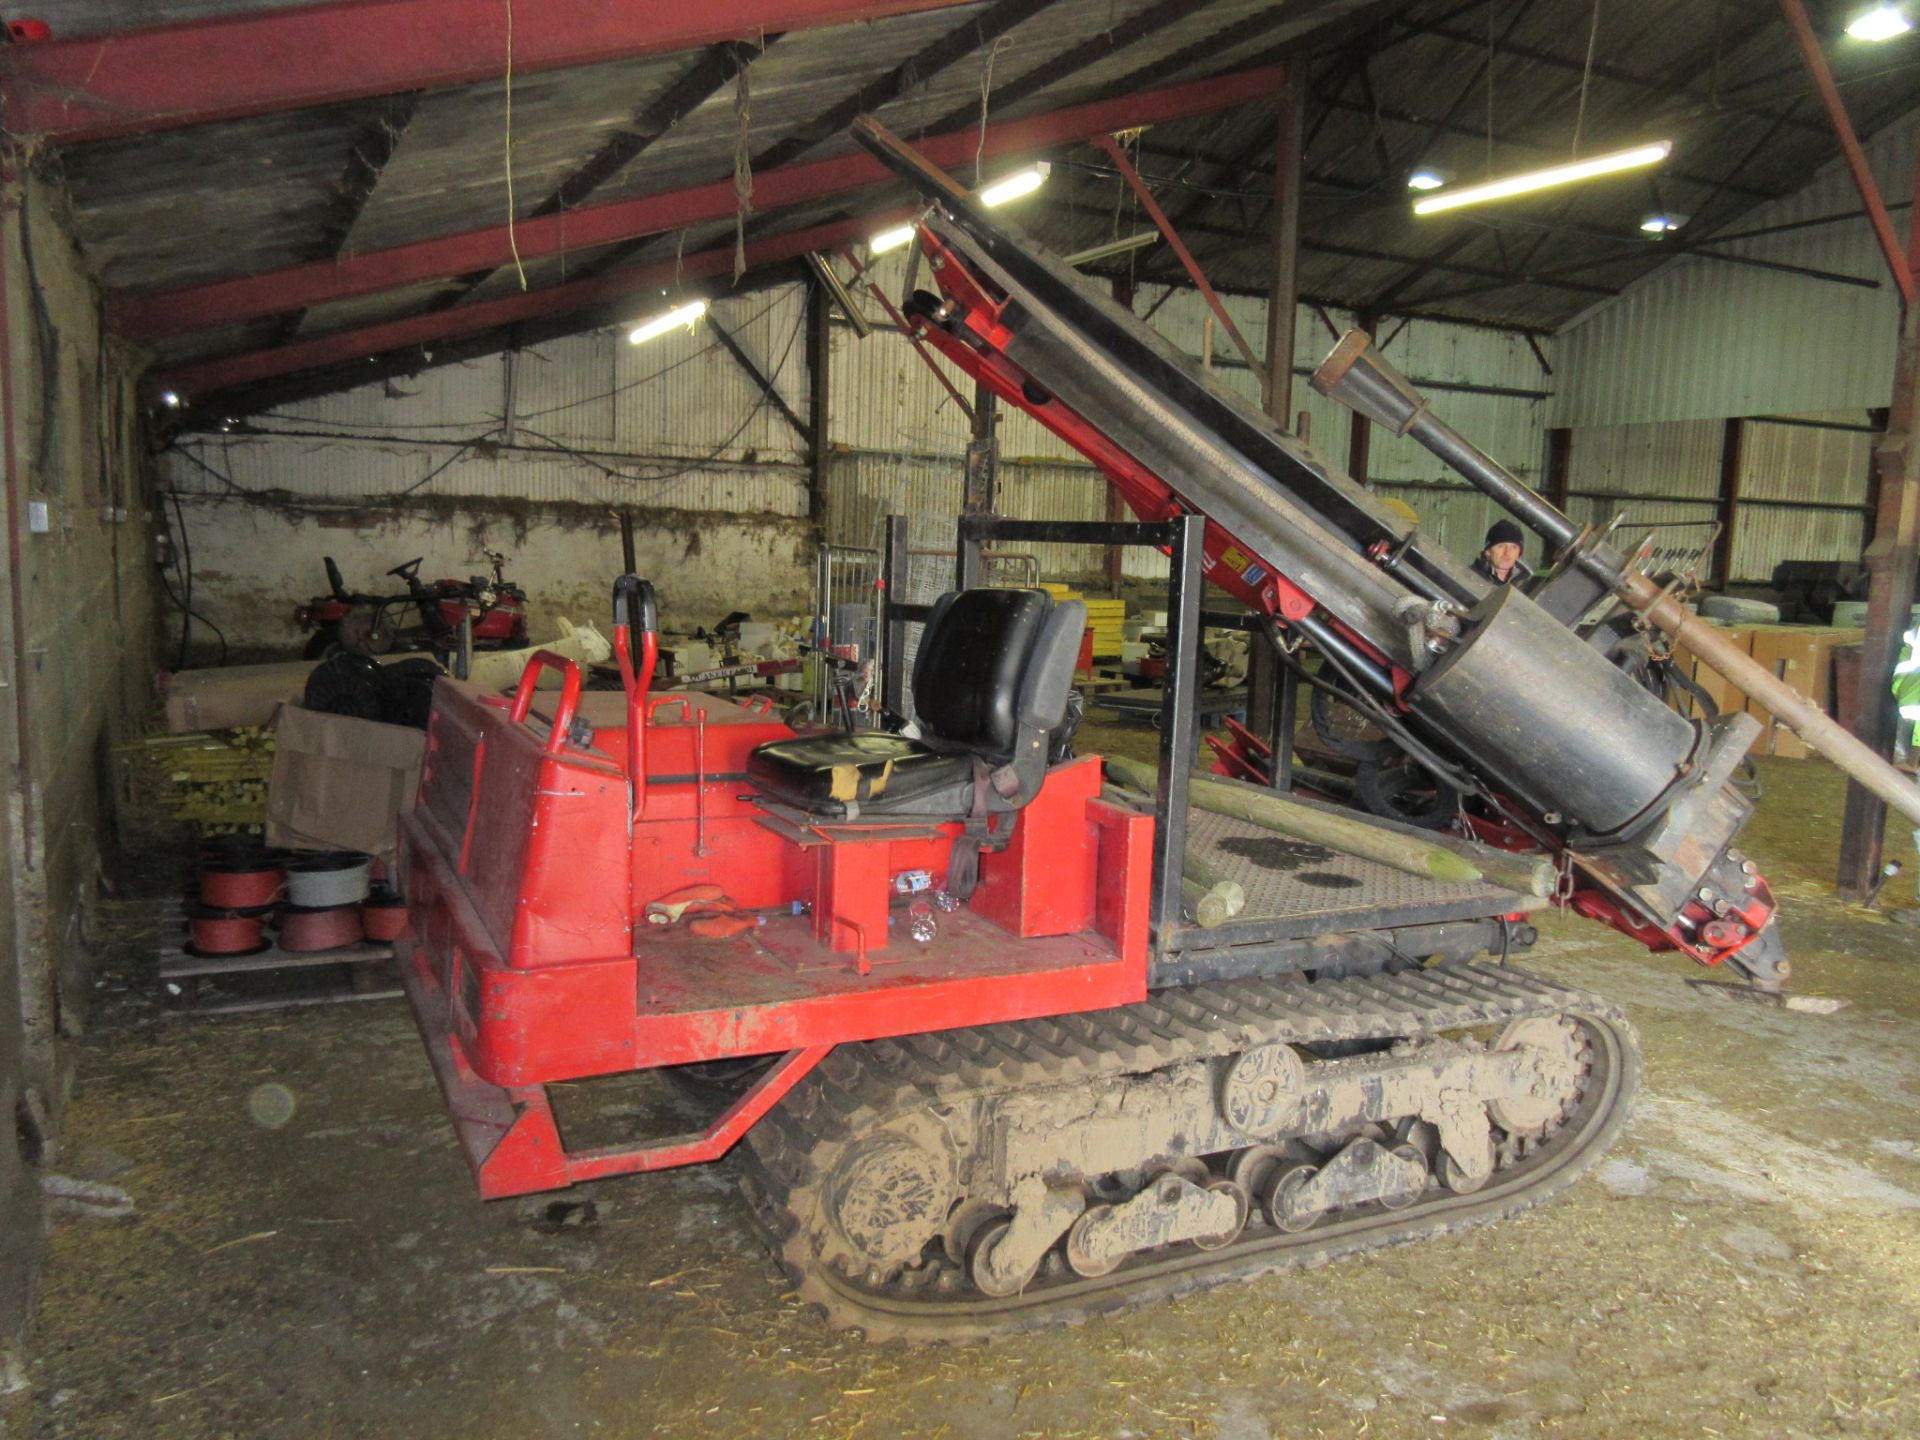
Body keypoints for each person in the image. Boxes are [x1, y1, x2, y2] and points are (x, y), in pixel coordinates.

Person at [1473, 519, 1533, 587]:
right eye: (1501, 546)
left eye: (1514, 547)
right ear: (1488, 551)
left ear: (1519, 553)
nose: (1507, 552)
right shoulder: (1471, 577)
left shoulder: (1531, 581)